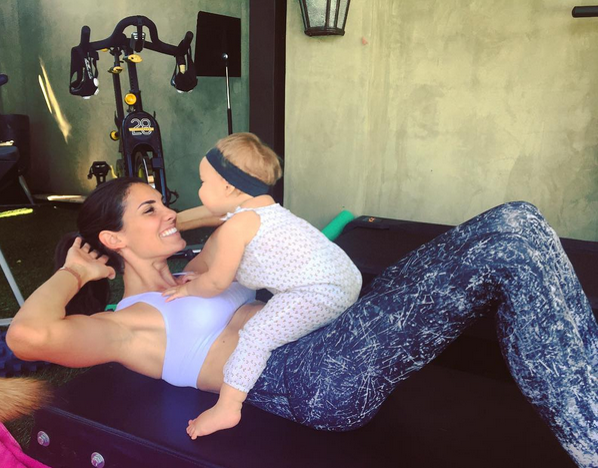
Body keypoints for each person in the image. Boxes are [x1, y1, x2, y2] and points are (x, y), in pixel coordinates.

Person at [5, 177, 597, 467]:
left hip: (332, 334)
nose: (170, 212)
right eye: (150, 208)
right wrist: (76, 271)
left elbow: (236, 212)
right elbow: (27, 336)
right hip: (309, 376)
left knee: (516, 220)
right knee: (510, 244)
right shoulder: (129, 324)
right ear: (113, 239)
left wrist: (174, 222)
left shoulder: (199, 270)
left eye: (165, 201)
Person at [161, 133, 362, 438]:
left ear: (228, 187)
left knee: (256, 335)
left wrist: (187, 289)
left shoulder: (236, 226)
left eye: (203, 182)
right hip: (346, 277)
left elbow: (217, 282)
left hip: (319, 293)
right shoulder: (267, 210)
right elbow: (217, 219)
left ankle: (228, 407)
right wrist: (175, 225)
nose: (199, 190)